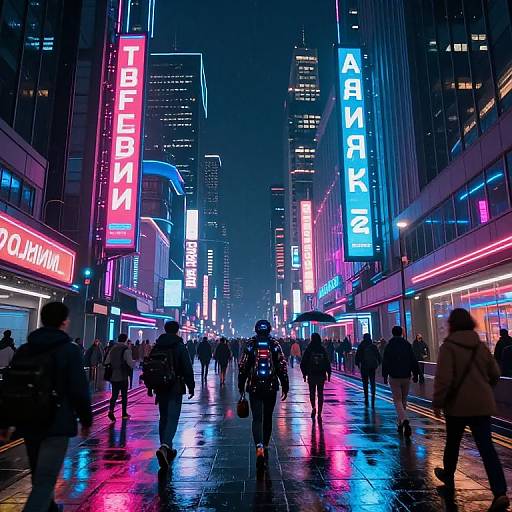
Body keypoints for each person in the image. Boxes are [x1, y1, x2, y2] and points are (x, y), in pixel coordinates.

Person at [6, 302, 92, 512]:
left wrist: (5, 421)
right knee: (45, 480)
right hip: (56, 421)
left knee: (39, 476)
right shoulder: (69, 350)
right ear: (64, 321)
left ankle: (51, 508)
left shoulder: (25, 349)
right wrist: (86, 419)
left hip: (28, 420)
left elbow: (10, 386)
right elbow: (79, 388)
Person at [433, 308, 508, 512]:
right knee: (487, 448)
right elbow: (495, 372)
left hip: (457, 405)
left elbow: (443, 379)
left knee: (453, 442)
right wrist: (483, 389)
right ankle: (500, 491)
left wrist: (437, 403)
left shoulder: (448, 347)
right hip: (482, 404)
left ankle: (448, 475)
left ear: (452, 324)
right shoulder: (479, 345)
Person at [239, 320, 289, 470]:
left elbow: (243, 367)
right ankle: (265, 446)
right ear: (269, 329)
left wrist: (241, 386)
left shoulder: (250, 344)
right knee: (267, 418)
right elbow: (281, 365)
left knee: (257, 419)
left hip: (254, 387)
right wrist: (285, 384)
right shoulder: (274, 344)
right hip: (271, 387)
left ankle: (259, 446)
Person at [148, 321, 195, 470]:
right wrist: (191, 385)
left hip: (160, 386)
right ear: (177, 331)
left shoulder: (157, 345)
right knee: (173, 417)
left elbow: (150, 367)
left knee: (163, 417)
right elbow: (187, 367)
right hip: (175, 386)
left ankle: (167, 448)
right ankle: (165, 446)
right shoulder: (179, 346)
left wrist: (150, 386)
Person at [382, 326, 419, 437]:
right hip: (406, 376)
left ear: (393, 333)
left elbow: (385, 361)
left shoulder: (389, 345)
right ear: (401, 333)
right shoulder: (407, 344)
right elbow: (413, 359)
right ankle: (400, 424)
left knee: (397, 400)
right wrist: (416, 373)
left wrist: (384, 375)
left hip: (394, 376)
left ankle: (405, 420)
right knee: (403, 400)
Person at [105, 333, 135, 422]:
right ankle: (124, 413)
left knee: (114, 395)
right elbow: (130, 363)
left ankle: (111, 411)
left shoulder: (112, 349)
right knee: (124, 395)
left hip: (113, 375)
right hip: (123, 375)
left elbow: (107, 361)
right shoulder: (126, 349)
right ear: (126, 340)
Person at [300, 333, 331, 419]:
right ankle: (320, 412)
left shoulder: (309, 349)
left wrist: (304, 374)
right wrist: (329, 373)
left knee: (312, 392)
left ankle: (313, 407)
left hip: (311, 374)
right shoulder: (322, 349)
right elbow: (327, 362)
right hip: (321, 374)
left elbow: (303, 363)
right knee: (320, 393)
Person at [355, 333, 381, 408]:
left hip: (364, 366)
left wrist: (357, 363)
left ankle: (366, 397)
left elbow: (358, 356)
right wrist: (379, 363)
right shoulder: (373, 346)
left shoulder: (361, 345)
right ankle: (373, 394)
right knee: (372, 381)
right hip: (372, 366)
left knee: (365, 382)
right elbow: (378, 355)